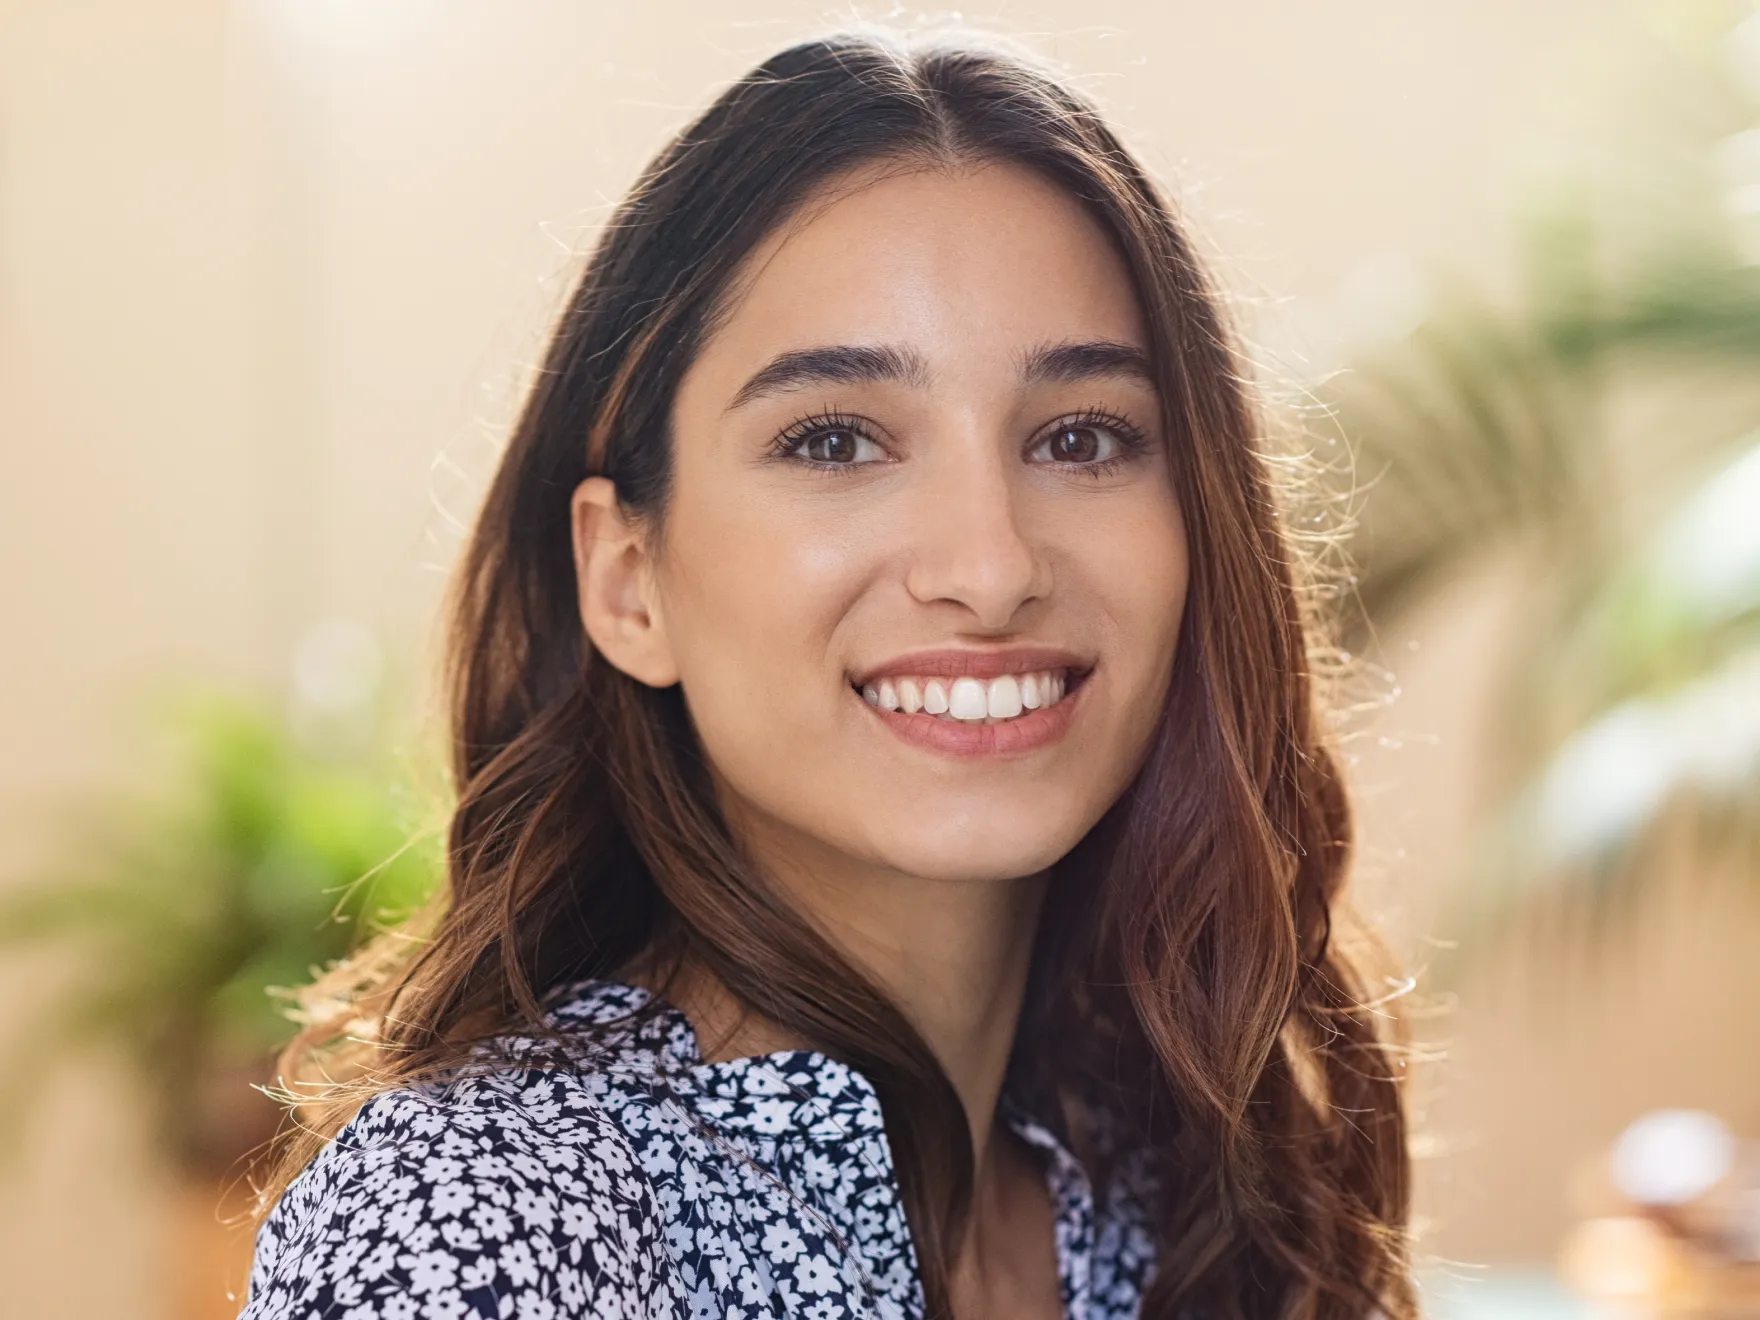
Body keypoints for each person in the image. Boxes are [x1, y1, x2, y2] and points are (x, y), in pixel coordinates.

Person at [241, 29, 1414, 1320]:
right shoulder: (481, 1224)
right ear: (629, 580)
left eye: (1081, 437)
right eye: (837, 439)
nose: (990, 562)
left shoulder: (1188, 1194)